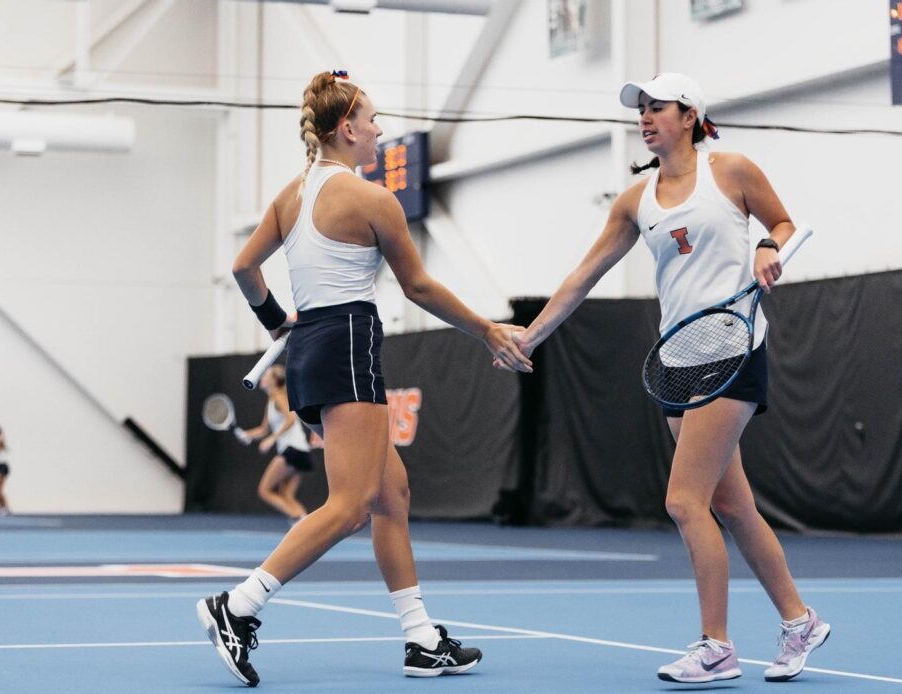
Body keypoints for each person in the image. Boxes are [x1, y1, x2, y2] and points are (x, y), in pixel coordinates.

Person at [196, 69, 531, 688]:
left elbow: (245, 268)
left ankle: (420, 638)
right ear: (346, 128)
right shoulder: (373, 199)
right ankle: (238, 605)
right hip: (347, 344)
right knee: (350, 506)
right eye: (373, 119)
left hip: (311, 352)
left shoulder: (290, 196)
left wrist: (275, 323)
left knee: (390, 496)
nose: (380, 130)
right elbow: (420, 287)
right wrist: (487, 329)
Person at [508, 73, 830, 684]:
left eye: (658, 108)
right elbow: (584, 275)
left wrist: (768, 245)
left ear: (690, 116)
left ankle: (716, 646)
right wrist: (531, 336)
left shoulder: (731, 170)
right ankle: (800, 621)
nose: (645, 118)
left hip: (733, 351)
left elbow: (783, 225)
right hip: (678, 361)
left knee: (684, 502)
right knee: (732, 505)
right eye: (642, 110)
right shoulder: (635, 199)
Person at [236, 365, 314, 522]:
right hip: (301, 451)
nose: (262, 377)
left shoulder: (279, 397)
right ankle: (304, 524)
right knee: (286, 495)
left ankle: (298, 518)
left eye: (266, 375)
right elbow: (263, 429)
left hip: (293, 450)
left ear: (274, 381)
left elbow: (291, 419)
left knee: (264, 490)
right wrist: (246, 435)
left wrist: (272, 439)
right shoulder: (271, 401)